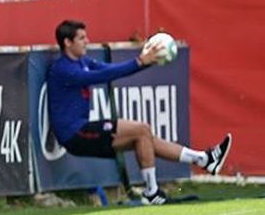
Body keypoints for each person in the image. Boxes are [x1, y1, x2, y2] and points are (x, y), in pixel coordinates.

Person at [46, 20, 231, 204]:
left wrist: (149, 61)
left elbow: (109, 69)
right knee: (141, 130)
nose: (87, 41)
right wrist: (140, 61)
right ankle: (152, 193)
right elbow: (102, 76)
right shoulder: (63, 69)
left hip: (82, 130)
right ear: (67, 42)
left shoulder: (82, 61)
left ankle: (204, 159)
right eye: (81, 38)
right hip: (74, 135)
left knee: (145, 137)